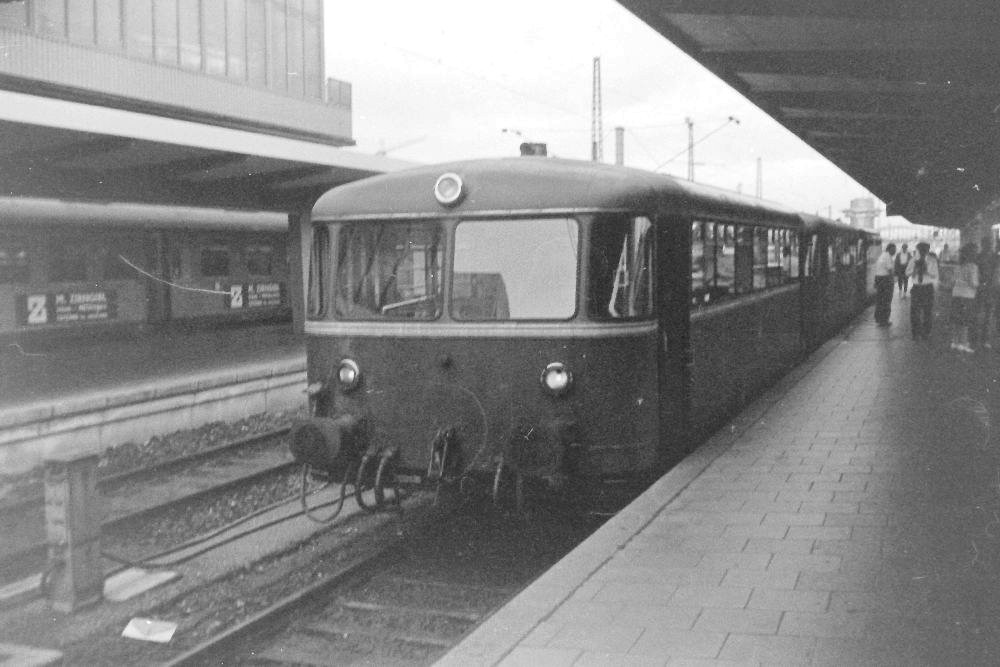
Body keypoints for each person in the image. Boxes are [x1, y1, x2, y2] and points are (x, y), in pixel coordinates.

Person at [950, 242, 980, 353]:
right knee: (965, 321)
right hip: (967, 296)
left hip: (956, 294)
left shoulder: (958, 266)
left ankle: (955, 342)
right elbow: (974, 283)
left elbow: (952, 281)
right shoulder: (973, 267)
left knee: (956, 319)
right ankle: (963, 343)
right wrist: (980, 285)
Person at [906, 241, 938, 340]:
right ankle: (915, 333)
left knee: (927, 312)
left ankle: (926, 333)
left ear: (928, 250)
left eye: (925, 250)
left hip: (927, 287)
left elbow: (935, 274)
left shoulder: (932, 260)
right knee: (914, 312)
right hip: (916, 287)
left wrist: (926, 270)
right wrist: (914, 270)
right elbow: (907, 273)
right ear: (918, 250)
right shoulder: (913, 260)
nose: (923, 251)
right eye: (921, 249)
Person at [974, 240, 998, 349]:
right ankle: (984, 340)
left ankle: (977, 338)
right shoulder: (995, 257)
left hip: (982, 288)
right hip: (990, 289)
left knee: (980, 313)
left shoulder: (978, 257)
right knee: (987, 315)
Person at [873, 242, 896, 326]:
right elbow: (890, 270)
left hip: (879, 279)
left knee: (880, 300)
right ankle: (885, 320)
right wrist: (892, 280)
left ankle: (879, 319)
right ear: (889, 249)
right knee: (886, 300)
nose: (895, 251)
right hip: (885, 280)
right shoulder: (888, 257)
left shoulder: (882, 255)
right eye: (894, 249)